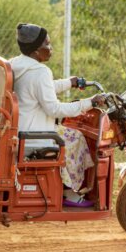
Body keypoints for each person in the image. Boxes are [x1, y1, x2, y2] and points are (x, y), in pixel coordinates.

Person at [10, 23, 104, 208]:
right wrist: (89, 103)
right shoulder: (40, 71)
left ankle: (66, 187)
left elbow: (41, 88)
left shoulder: (16, 64)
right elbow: (54, 109)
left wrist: (70, 83)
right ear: (37, 51)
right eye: (48, 44)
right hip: (34, 138)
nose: (51, 48)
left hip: (20, 130)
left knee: (69, 134)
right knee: (76, 138)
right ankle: (70, 193)